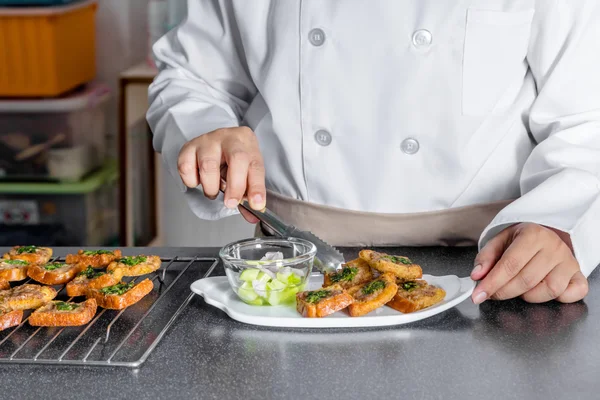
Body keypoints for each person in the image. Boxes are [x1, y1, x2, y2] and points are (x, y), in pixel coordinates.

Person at [147, 1, 600, 305]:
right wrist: (209, 132)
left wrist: (557, 224)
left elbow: (587, 117)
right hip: (289, 266)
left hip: (494, 267)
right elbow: (191, 77)